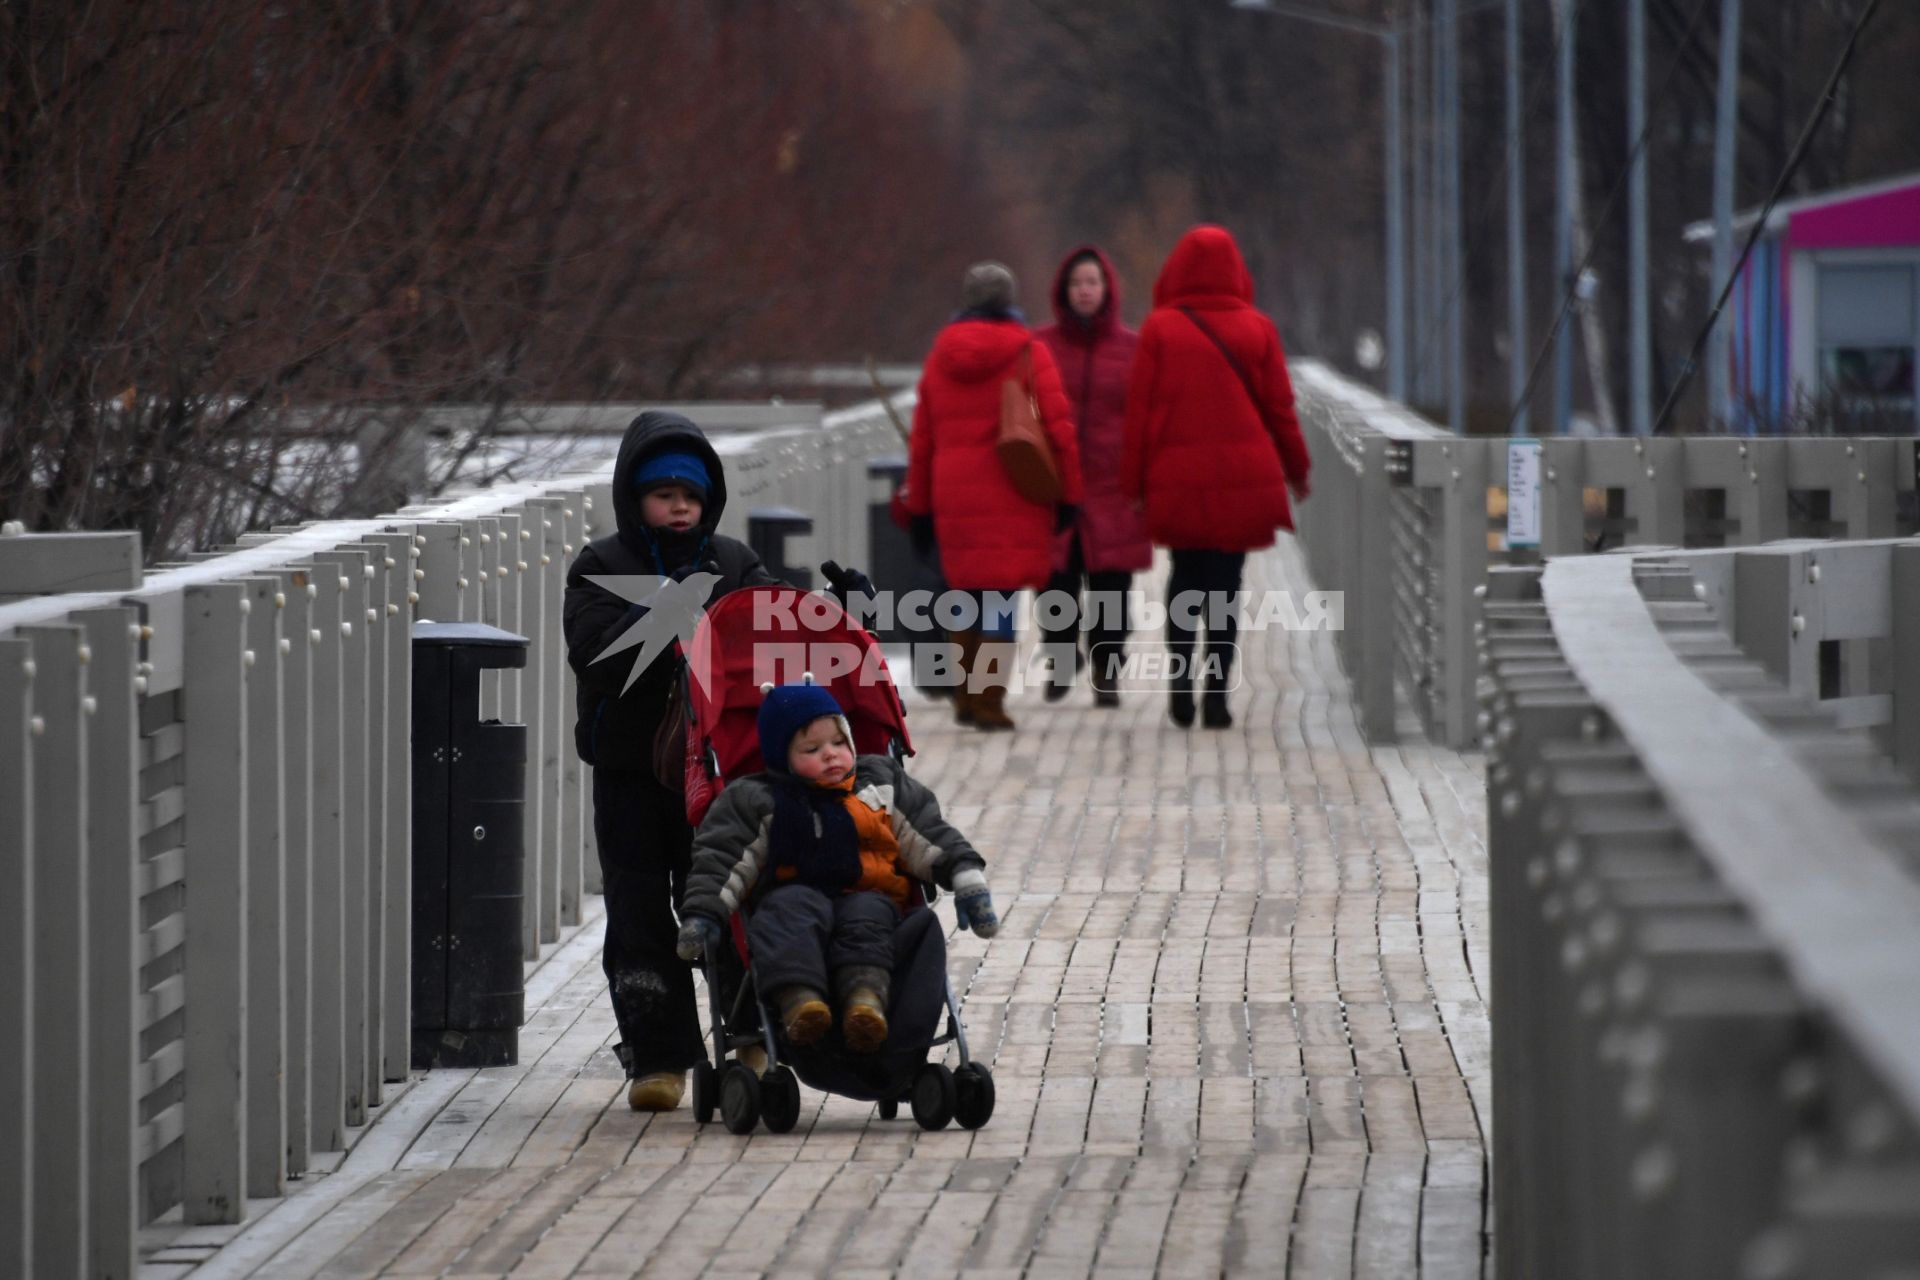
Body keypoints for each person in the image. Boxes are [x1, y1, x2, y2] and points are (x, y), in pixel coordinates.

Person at [564, 410, 780, 1112]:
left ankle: (746, 1031)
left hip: (717, 772)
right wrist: (665, 615)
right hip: (629, 769)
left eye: (691, 495)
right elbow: (592, 656)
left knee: (724, 895)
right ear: (635, 498)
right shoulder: (601, 565)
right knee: (636, 911)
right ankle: (658, 1056)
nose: (679, 507)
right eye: (663, 495)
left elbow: (770, 646)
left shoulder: (736, 562)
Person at [674, 682, 999, 1052]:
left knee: (870, 914)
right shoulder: (758, 799)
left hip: (869, 897)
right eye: (812, 749)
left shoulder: (878, 783)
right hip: (794, 899)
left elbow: (927, 833)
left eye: (839, 743)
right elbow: (723, 857)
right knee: (781, 914)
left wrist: (965, 875)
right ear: (782, 757)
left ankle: (866, 1000)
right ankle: (800, 1001)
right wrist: (703, 913)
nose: (830, 755)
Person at [1120, 225, 1311, 730]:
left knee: (1185, 579)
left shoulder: (1160, 329)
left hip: (1177, 477)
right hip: (1242, 480)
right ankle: (1217, 696)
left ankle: (1180, 686)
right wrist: (1297, 470)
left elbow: (1138, 415)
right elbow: (1281, 410)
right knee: (1226, 588)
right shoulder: (1258, 329)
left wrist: (1133, 481)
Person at [904, 261, 1082, 731]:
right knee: (1000, 598)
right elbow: (1059, 428)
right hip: (1014, 492)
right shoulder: (1028, 351)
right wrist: (1070, 494)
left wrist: (919, 507)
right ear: (1010, 302)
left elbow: (922, 440)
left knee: (964, 594)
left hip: (954, 493)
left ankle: (966, 695)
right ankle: (989, 701)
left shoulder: (940, 356)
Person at [1033, 245, 1151, 707]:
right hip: (1055, 486)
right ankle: (1062, 660)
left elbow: (1146, 414)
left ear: (1107, 290)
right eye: (1077, 283)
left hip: (1112, 486)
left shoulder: (1133, 349)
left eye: (1092, 282)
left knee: (1111, 591)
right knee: (1054, 584)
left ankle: (1108, 671)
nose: (1084, 291)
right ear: (1064, 290)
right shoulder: (1038, 345)